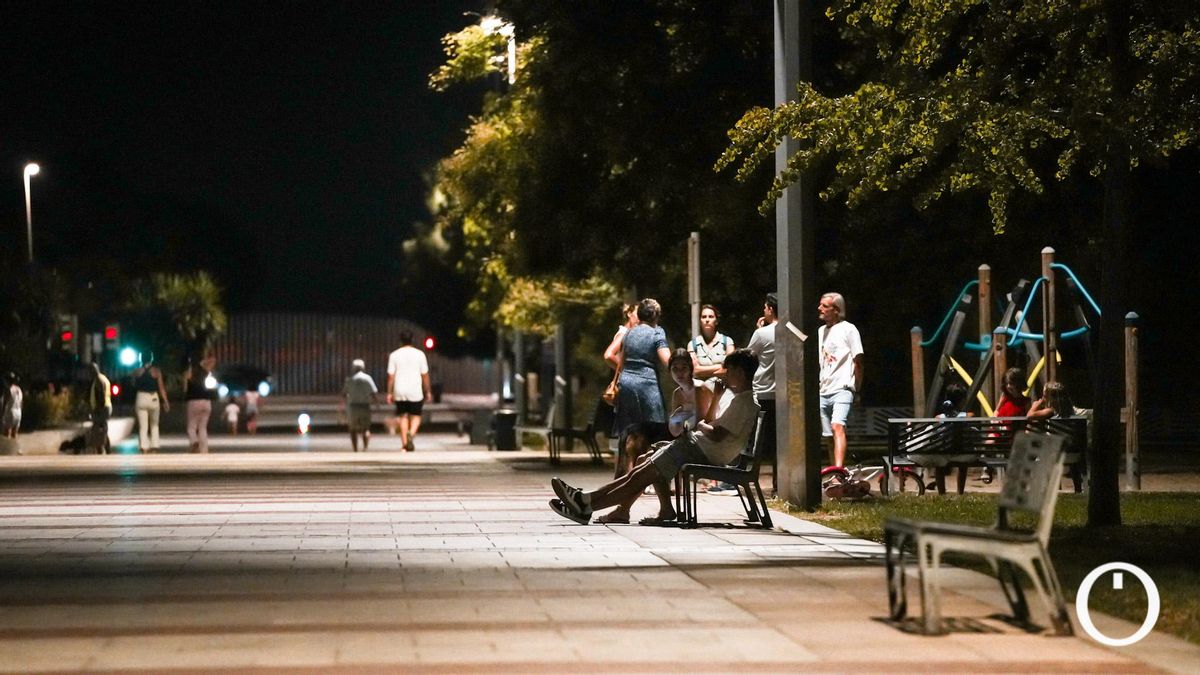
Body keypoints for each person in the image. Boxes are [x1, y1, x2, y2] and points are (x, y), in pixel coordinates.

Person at [548, 349, 760, 526]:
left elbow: (715, 433)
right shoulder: (736, 399)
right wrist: (715, 405)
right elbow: (714, 424)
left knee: (640, 475)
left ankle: (586, 504)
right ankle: (586, 501)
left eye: (728, 370)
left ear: (739, 372)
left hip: (702, 450)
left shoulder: (743, 403)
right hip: (698, 447)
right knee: (641, 467)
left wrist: (703, 425)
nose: (723, 373)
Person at [611, 298, 672, 478]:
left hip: (627, 383)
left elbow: (621, 360)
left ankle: (624, 476)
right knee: (656, 429)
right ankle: (654, 477)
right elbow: (666, 359)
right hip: (647, 384)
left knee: (628, 431)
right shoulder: (657, 333)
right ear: (656, 316)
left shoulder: (629, 333)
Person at [817, 292, 864, 469]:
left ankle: (839, 470)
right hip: (823, 389)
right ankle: (836, 469)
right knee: (828, 434)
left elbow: (858, 360)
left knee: (838, 426)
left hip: (843, 387)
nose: (820, 309)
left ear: (836, 310)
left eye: (824, 306)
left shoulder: (848, 329)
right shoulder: (821, 332)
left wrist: (857, 388)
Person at [746, 293, 778, 491]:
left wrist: (759, 330)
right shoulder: (790, 331)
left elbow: (749, 357)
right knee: (778, 444)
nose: (763, 311)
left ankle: (750, 479)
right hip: (783, 394)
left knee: (755, 442)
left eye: (765, 308)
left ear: (770, 309)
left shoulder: (762, 334)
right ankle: (778, 484)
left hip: (762, 392)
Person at [387, 329, 432, 452]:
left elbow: (391, 376)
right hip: (415, 390)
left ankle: (404, 445)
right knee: (416, 416)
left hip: (399, 390)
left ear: (400, 341)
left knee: (403, 416)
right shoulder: (420, 354)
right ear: (412, 340)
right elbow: (425, 374)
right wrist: (427, 391)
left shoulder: (394, 355)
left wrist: (389, 392)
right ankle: (410, 435)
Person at [131, 352, 170, 453]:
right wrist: (165, 401)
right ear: (151, 359)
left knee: (143, 425)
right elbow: (161, 387)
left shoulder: (136, 371)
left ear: (141, 359)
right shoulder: (156, 371)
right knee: (154, 424)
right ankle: (155, 445)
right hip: (153, 397)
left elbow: (133, 384)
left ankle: (143, 446)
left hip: (141, 397)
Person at [687, 304, 735, 382]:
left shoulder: (727, 342)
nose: (707, 319)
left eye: (711, 316)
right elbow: (695, 370)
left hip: (723, 389)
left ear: (716, 321)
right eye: (704, 317)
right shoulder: (692, 344)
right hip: (701, 390)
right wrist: (720, 367)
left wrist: (703, 371)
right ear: (700, 321)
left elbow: (731, 369)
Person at [182, 354, 218, 453]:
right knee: (203, 427)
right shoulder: (206, 371)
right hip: (206, 402)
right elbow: (213, 359)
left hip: (193, 401)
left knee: (191, 426)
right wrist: (202, 363)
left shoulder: (188, 374)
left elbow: (185, 389)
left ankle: (194, 442)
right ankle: (204, 449)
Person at [342, 358, 379, 452]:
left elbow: (344, 394)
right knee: (366, 428)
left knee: (352, 429)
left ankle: (355, 449)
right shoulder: (368, 378)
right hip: (365, 406)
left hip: (353, 407)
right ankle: (365, 448)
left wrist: (343, 405)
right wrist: (377, 404)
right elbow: (373, 393)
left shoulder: (349, 380)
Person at [85, 363, 112, 454]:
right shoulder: (102, 378)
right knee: (102, 427)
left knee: (98, 428)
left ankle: (101, 448)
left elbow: (101, 396)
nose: (89, 374)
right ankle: (105, 448)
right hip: (105, 407)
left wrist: (97, 409)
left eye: (90, 371)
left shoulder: (98, 380)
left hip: (102, 408)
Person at [1, 372, 21, 439]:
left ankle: (8, 449)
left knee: (7, 436)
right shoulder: (19, 389)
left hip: (10, 412)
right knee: (14, 435)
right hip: (18, 412)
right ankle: (15, 448)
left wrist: (2, 415)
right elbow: (21, 403)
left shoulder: (8, 389)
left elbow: (5, 403)